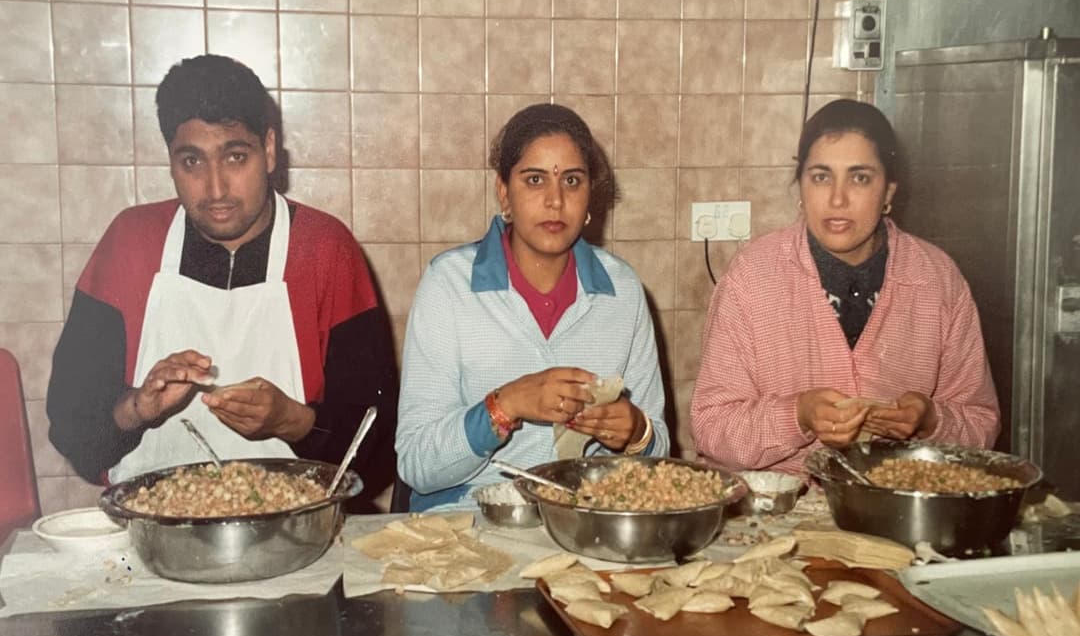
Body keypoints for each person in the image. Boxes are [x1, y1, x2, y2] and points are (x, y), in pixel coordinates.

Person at [46, 54, 398, 505]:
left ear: (269, 150)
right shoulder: (130, 243)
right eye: (192, 161)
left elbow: (378, 446)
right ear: (171, 161)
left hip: (300, 526)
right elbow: (72, 431)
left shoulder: (325, 250)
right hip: (150, 526)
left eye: (235, 157)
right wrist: (138, 408)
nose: (215, 190)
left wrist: (291, 422)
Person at [690, 99, 999, 475]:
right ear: (801, 186)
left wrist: (932, 421)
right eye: (821, 177)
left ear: (889, 192)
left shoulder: (936, 279)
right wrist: (797, 415)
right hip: (779, 503)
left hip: (894, 501)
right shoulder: (753, 277)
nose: (838, 199)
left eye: (860, 178)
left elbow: (981, 424)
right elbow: (712, 429)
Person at [396, 103, 669, 509]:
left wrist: (637, 433)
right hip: (468, 520)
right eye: (535, 179)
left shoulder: (623, 291)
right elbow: (416, 465)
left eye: (572, 181)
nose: (555, 201)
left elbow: (658, 457)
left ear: (589, 195)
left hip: (585, 520)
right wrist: (504, 406)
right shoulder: (449, 285)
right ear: (504, 192)